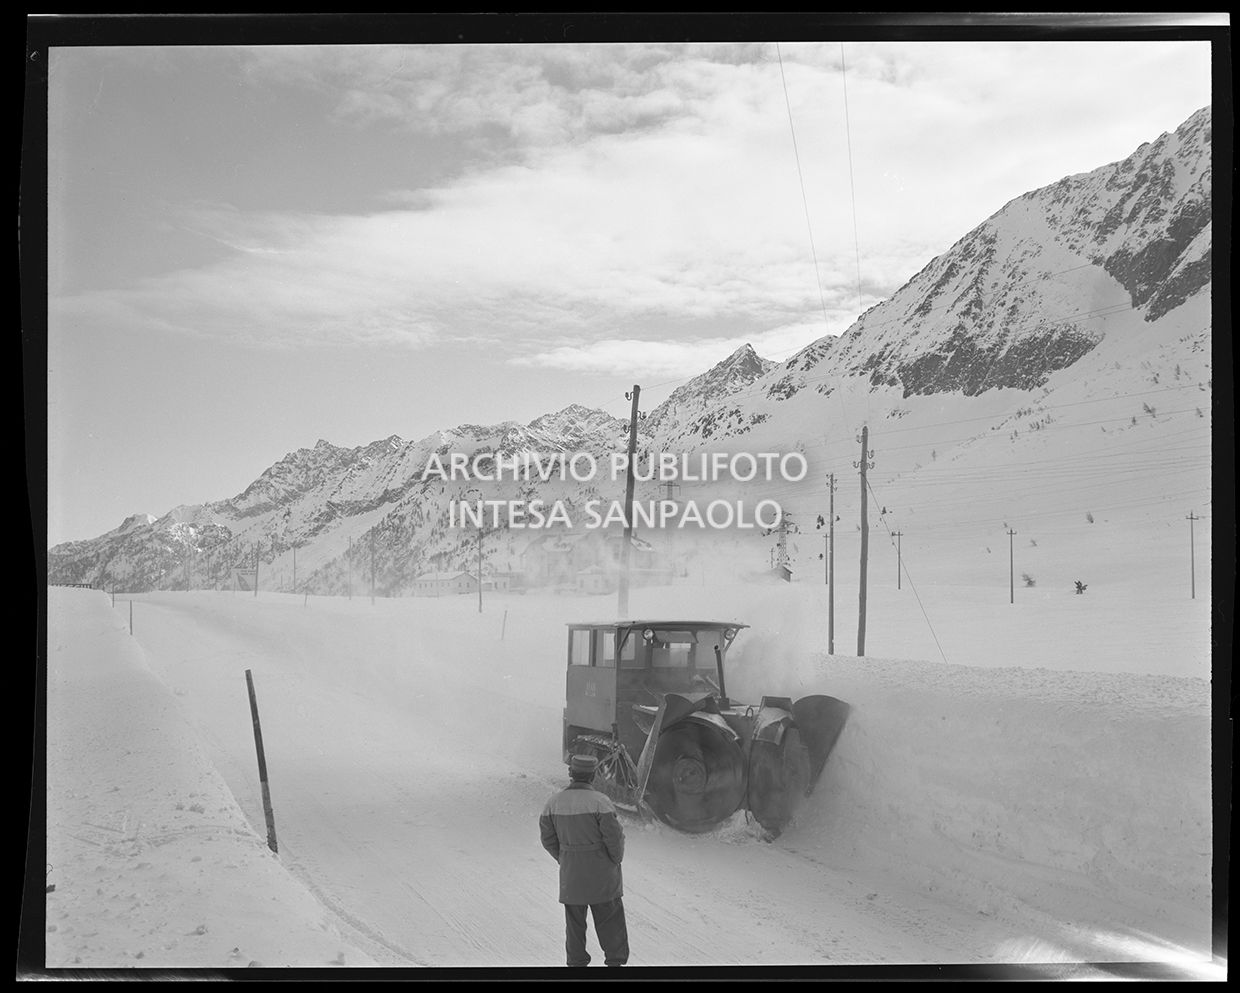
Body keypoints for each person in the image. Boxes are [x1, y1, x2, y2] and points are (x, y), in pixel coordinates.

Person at [539, 754, 629, 967]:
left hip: (572, 874)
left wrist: (565, 858)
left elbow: (547, 838)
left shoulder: (553, 803)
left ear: (571, 774)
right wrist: (614, 860)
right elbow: (614, 839)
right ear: (593, 775)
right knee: (610, 921)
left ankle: (576, 964)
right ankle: (615, 964)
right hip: (603, 876)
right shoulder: (601, 802)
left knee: (574, 925)